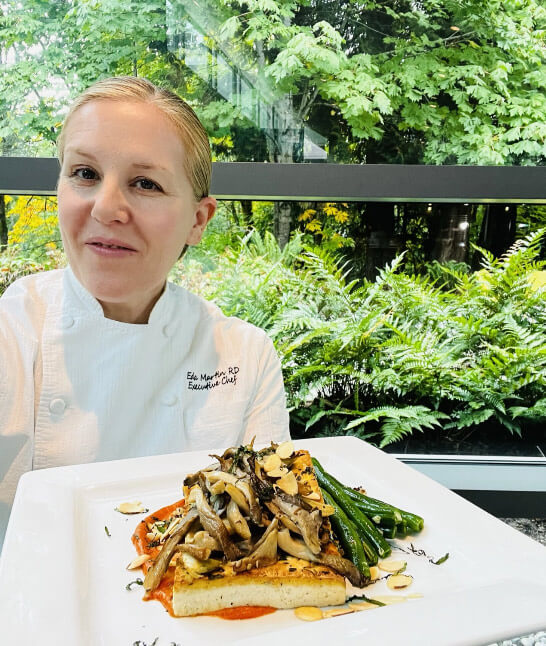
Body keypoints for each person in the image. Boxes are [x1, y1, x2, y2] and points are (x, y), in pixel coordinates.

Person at [0, 76, 290, 549]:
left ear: (198, 220)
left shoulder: (243, 356)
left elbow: (263, 541)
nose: (106, 208)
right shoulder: (10, 335)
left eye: (144, 183)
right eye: (85, 174)